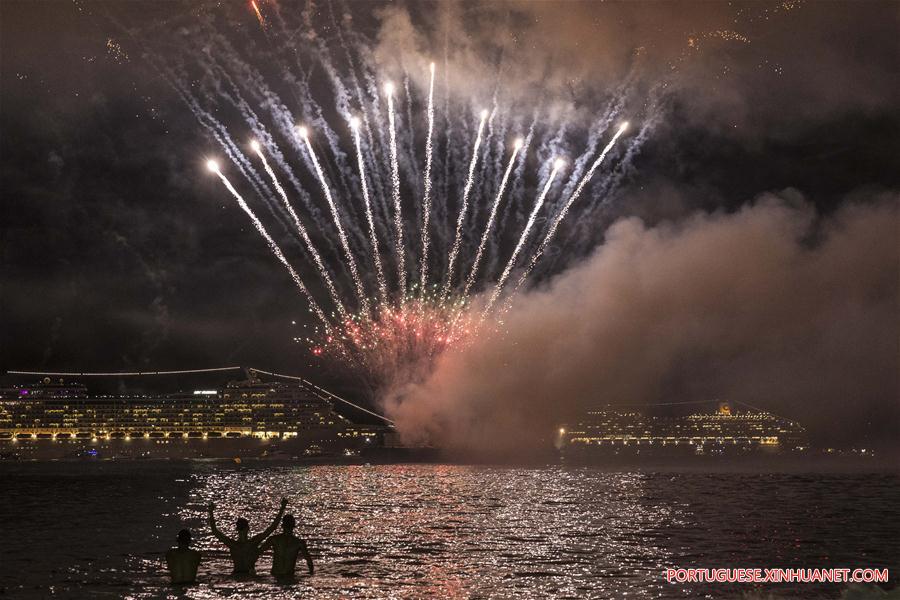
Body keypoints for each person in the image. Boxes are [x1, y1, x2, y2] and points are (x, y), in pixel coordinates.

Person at [208, 497, 287, 575]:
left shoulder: (232, 545)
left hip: (236, 575)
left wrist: (211, 512)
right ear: (248, 528)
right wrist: (282, 508)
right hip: (250, 575)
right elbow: (272, 528)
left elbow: (215, 531)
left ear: (236, 529)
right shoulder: (253, 543)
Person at [259, 513, 314, 579]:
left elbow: (258, 552)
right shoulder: (299, 543)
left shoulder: (274, 539)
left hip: (275, 575)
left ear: (282, 526)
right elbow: (309, 561)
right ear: (293, 526)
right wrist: (311, 574)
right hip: (289, 576)